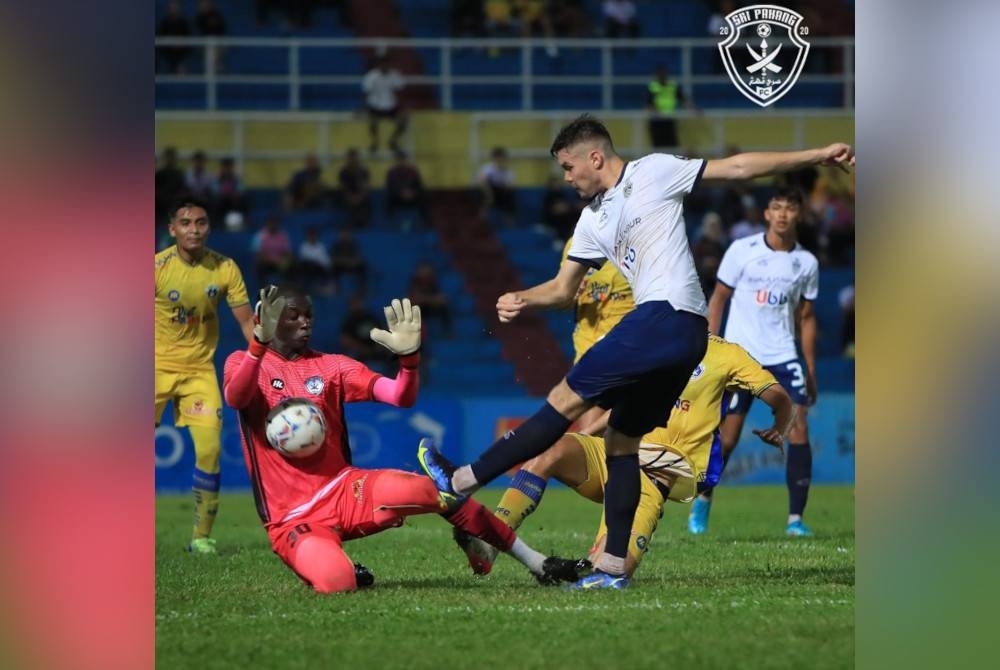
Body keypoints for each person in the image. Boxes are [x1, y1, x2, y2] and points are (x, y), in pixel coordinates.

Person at [417, 114, 854, 589]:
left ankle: (460, 481)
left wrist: (816, 154)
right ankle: (610, 571)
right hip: (683, 338)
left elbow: (738, 168)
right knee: (621, 441)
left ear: (595, 157)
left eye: (568, 166)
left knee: (564, 401)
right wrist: (526, 297)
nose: (566, 177)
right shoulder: (590, 221)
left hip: (665, 318)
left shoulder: (654, 171)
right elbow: (566, 290)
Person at [222, 286, 591, 593]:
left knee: (436, 491)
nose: (305, 323)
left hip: (345, 488)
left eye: (309, 315)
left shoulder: (331, 366)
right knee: (337, 583)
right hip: (292, 517)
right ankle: (340, 568)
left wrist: (409, 359)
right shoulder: (243, 362)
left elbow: (401, 396)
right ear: (267, 320)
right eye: (293, 316)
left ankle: (537, 563)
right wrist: (258, 344)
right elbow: (236, 398)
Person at [454, 335, 794, 577]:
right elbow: (624, 405)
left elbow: (777, 393)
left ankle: (599, 561)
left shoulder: (726, 354)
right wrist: (583, 438)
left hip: (656, 474)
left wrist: (781, 421)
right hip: (616, 452)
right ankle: (489, 546)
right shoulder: (650, 347)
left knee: (611, 573)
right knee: (551, 448)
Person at [690, 188, 822, 537]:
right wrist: (710, 348)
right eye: (776, 208)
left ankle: (796, 519)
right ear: (766, 214)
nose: (782, 215)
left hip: (783, 355)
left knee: (799, 426)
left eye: (789, 208)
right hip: (741, 357)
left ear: (798, 214)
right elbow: (718, 299)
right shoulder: (741, 251)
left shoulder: (806, 263)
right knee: (728, 438)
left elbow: (806, 318)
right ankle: (703, 498)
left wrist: (809, 367)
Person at [155, 198, 255, 554]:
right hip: (154, 368)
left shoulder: (225, 268)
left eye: (200, 222)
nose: (193, 229)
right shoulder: (156, 267)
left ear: (208, 227)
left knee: (210, 450)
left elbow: (246, 322)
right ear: (173, 229)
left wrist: (267, 360)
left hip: (199, 372)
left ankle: (201, 537)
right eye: (185, 223)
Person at [362, 56, 407, 154]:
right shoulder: (371, 77)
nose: (384, 67)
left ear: (389, 65)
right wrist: (364, 108)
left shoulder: (395, 75)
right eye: (382, 65)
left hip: (391, 106)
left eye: (386, 64)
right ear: (378, 65)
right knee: (372, 120)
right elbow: (366, 94)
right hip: (375, 106)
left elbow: (400, 93)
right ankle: (375, 141)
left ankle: (393, 141)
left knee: (404, 120)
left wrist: (403, 109)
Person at [646, 65, 695, 150]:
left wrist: (693, 109)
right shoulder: (653, 86)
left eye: (664, 73)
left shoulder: (673, 86)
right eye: (660, 74)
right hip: (656, 121)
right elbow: (648, 103)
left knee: (672, 146)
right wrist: (656, 112)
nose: (662, 75)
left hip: (670, 120)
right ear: (657, 75)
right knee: (658, 148)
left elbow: (684, 100)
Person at [385, 149, 428, 229]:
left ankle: (425, 224)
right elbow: (390, 187)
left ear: (406, 160)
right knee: (389, 199)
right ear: (396, 160)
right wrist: (401, 193)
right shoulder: (391, 173)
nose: (401, 161)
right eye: (399, 159)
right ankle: (390, 224)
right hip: (398, 198)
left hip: (412, 197)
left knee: (424, 198)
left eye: (403, 159)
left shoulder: (413, 172)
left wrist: (412, 193)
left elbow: (419, 186)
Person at [408, 262, 453, 338]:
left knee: (445, 308)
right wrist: (430, 299)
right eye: (423, 270)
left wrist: (426, 299)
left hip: (431, 307)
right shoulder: (415, 282)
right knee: (413, 308)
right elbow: (413, 299)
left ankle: (448, 332)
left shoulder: (433, 282)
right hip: (420, 309)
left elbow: (443, 299)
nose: (425, 273)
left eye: (427, 270)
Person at [479, 147, 516, 227]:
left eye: (501, 157)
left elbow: (509, 186)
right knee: (487, 197)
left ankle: (510, 226)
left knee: (508, 198)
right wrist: (489, 194)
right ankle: (481, 223)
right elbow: (483, 181)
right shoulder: (487, 168)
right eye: (497, 157)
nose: (499, 160)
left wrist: (504, 189)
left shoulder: (508, 170)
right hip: (489, 191)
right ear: (493, 158)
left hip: (502, 192)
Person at [254, 215, 294, 286]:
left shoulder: (283, 235)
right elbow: (258, 254)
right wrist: (271, 260)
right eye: (271, 223)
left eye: (274, 223)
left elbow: (288, 252)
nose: (273, 225)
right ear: (267, 224)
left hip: (280, 262)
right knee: (260, 265)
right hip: (266, 262)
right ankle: (263, 290)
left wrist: (284, 260)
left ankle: (288, 289)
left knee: (292, 265)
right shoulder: (260, 235)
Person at [338, 148, 372, 229]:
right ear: (348, 159)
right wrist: (351, 197)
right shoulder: (343, 172)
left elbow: (366, 186)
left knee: (366, 200)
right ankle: (353, 223)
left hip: (361, 197)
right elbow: (343, 187)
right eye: (351, 158)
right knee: (347, 202)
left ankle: (362, 222)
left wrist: (360, 197)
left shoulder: (364, 171)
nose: (353, 160)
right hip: (348, 197)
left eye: (355, 158)